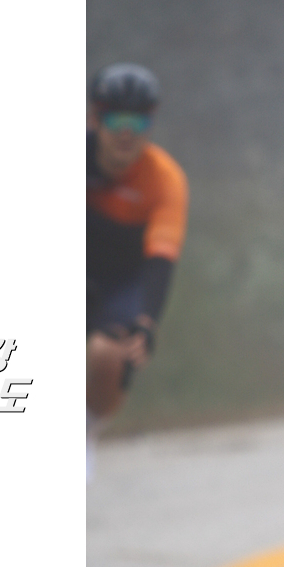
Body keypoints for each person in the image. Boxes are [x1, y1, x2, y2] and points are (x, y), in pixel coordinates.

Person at [86, 63, 188, 475]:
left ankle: (84, 431)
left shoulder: (164, 179)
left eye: (138, 121)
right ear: (94, 118)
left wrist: (147, 323)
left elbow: (161, 258)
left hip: (123, 280)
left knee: (109, 355)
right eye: (116, 120)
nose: (126, 133)